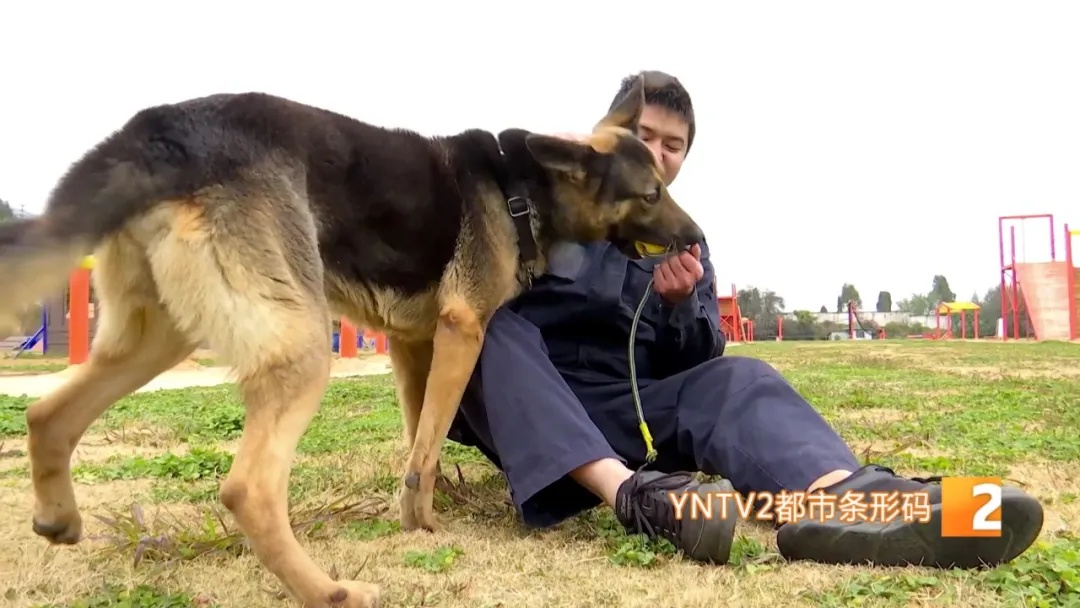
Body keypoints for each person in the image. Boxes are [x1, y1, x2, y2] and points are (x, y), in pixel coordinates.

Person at [448, 70, 1044, 568]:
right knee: (484, 323)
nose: (655, 153)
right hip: (524, 402)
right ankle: (630, 496)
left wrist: (680, 308)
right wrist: (523, 182)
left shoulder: (681, 240)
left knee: (741, 376)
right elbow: (449, 244)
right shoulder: (533, 196)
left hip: (621, 410)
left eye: (672, 145)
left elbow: (697, 364)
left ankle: (855, 505)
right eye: (642, 135)